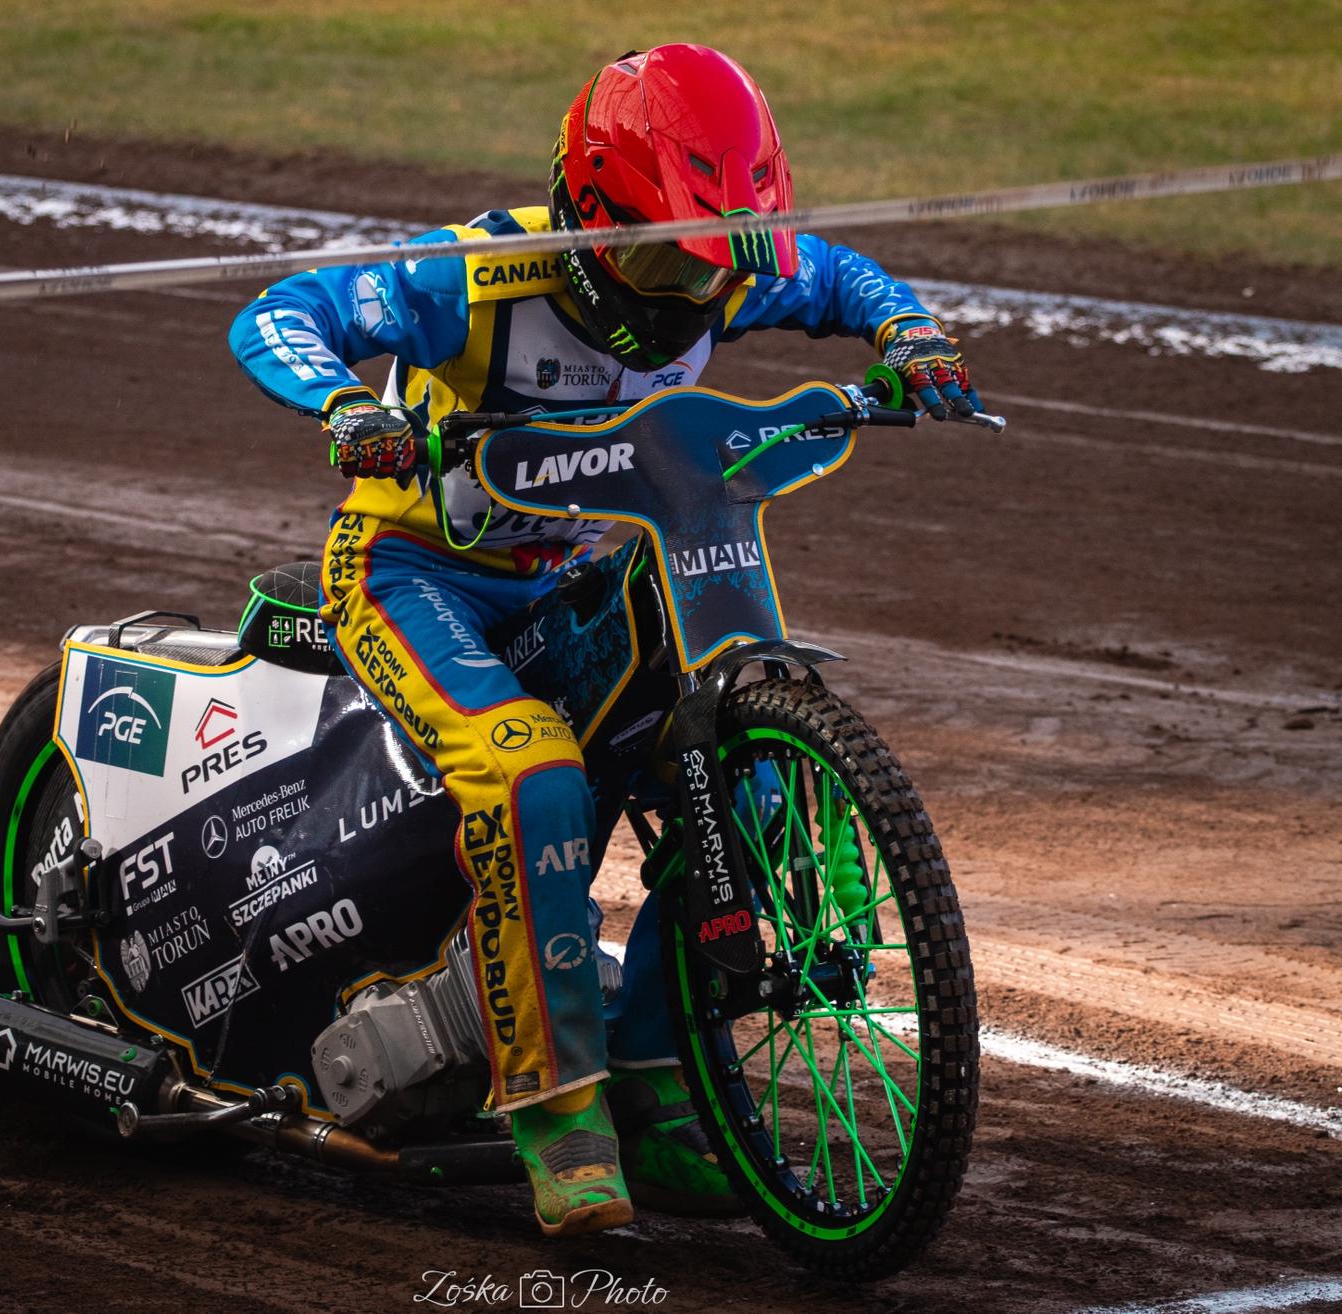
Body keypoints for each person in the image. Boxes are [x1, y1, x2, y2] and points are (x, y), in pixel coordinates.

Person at [229, 43, 981, 1238]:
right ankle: (558, 1114)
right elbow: (279, 315)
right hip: (413, 574)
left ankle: (659, 1088)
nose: (692, 293)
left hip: (580, 571)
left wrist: (910, 334)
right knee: (534, 779)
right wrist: (349, 404)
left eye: (716, 261)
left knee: (738, 775)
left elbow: (838, 275)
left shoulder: (722, 266)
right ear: (586, 214)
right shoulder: (471, 277)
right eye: (663, 259)